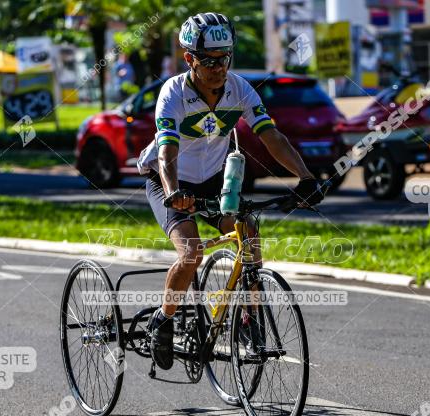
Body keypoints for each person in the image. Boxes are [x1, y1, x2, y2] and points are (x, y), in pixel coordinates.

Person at [136, 12, 327, 371]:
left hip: (211, 179)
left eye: (225, 58)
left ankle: (247, 320)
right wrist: (174, 192)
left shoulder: (239, 88)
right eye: (209, 61)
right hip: (169, 180)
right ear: (189, 59)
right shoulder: (173, 93)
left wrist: (304, 176)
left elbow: (271, 136)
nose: (218, 67)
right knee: (191, 253)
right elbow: (166, 153)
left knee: (248, 236)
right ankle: (163, 318)